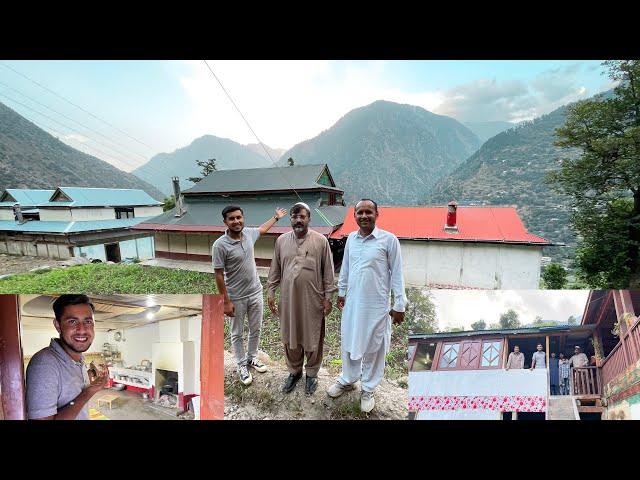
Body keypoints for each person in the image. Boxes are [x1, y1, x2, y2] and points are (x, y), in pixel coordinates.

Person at [326, 199, 407, 413]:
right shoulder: (351, 239)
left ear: (376, 214)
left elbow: (397, 274)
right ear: (354, 216)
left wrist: (400, 304)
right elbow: (346, 269)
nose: (364, 216)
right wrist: (341, 292)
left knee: (375, 345)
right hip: (353, 302)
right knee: (350, 341)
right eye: (359, 212)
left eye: (368, 212)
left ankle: (368, 387)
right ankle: (349, 378)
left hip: (377, 305)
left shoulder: (388, 240)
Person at [213, 205, 287, 386]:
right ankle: (241, 365)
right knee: (237, 333)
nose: (236, 221)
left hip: (255, 291)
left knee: (256, 328)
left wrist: (276, 217)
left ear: (243, 218)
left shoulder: (248, 234)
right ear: (225, 222)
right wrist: (225, 301)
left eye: (239, 217)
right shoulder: (220, 245)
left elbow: (262, 229)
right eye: (232, 218)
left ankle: (252, 357)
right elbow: (218, 275)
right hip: (236, 297)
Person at [267, 202, 335, 395]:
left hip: (313, 300)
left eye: (302, 216)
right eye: (294, 216)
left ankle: (312, 374)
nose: (298, 220)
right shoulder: (281, 241)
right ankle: (294, 372)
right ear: (290, 219)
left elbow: (328, 272)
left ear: (308, 219)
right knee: (291, 336)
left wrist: (328, 297)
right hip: (288, 301)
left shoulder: (320, 241)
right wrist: (271, 291)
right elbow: (275, 269)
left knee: (313, 336)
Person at [25, 294, 109, 420]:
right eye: (72, 321)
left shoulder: (80, 359)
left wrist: (92, 384)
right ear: (58, 325)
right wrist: (89, 392)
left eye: (88, 321)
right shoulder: (44, 365)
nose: (82, 329)